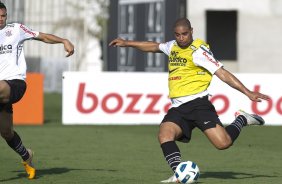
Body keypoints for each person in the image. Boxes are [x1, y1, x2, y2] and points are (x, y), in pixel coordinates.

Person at [109, 17, 269, 183]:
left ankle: (242, 119)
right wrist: (127, 43)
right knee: (164, 135)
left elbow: (222, 73)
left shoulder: (199, 51)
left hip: (199, 105)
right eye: (177, 35)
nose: (181, 38)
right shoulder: (173, 46)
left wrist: (247, 92)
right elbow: (154, 46)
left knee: (223, 144)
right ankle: (179, 174)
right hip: (178, 108)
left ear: (191, 31)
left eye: (184, 34)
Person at [0, 2, 74, 180]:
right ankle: (27, 156)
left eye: (3, 15)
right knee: (6, 132)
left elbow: (42, 36)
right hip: (2, 93)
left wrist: (63, 40)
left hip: (15, 84)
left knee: (0, 85)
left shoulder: (16, 29)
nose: (1, 19)